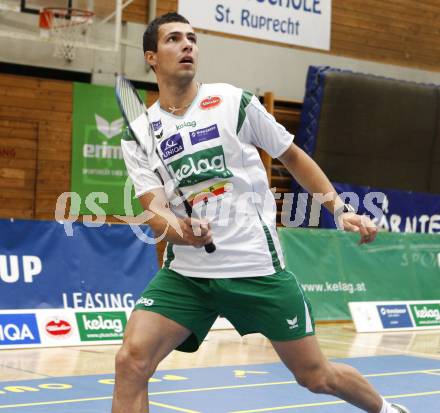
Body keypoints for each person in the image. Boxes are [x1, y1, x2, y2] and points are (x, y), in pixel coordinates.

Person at [112, 12, 410, 413]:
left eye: (192, 38)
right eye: (174, 39)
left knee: (315, 376)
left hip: (256, 268)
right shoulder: (140, 134)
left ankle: (387, 410)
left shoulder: (233, 102)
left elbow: (293, 155)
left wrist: (339, 209)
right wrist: (183, 232)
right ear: (152, 56)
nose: (187, 45)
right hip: (188, 276)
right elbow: (154, 209)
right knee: (131, 361)